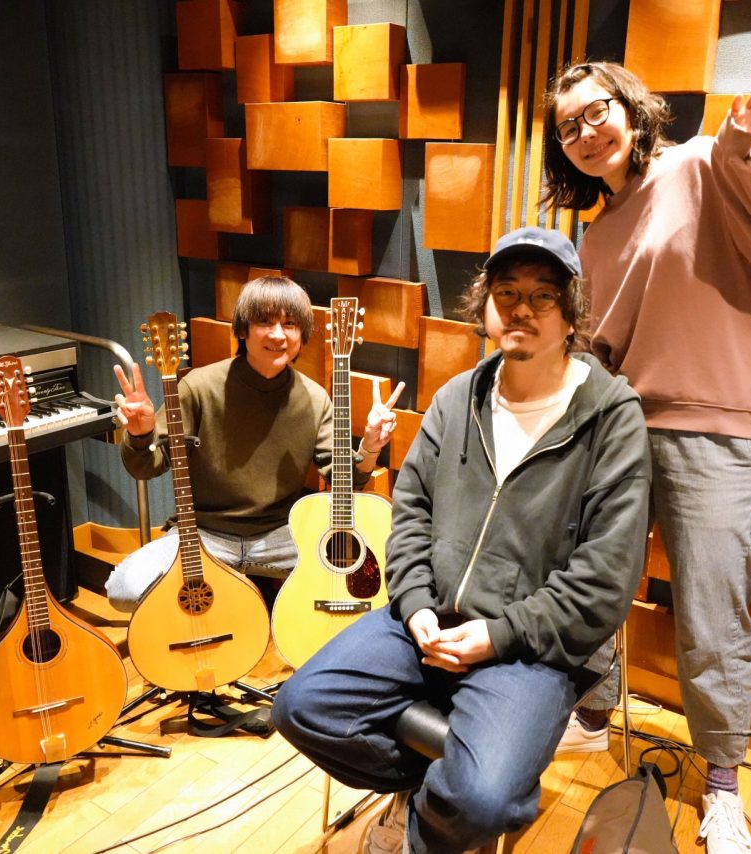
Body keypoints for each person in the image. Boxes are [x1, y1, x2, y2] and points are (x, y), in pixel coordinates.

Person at [272, 228, 652, 853]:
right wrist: (416, 603)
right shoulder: (457, 398)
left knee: (486, 800)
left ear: (571, 315)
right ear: (485, 308)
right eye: (506, 293)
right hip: (426, 623)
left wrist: (499, 635)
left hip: (529, 649)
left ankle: (429, 826)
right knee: (301, 707)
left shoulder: (612, 419)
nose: (522, 309)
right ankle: (430, 790)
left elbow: (606, 577)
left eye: (543, 295)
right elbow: (411, 511)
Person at [543, 63, 751, 853]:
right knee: (592, 584)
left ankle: (722, 788)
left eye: (596, 112)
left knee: (711, 617)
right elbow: (598, 351)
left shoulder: (704, 163)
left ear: (630, 108)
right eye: (568, 127)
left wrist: (739, 148)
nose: (585, 133)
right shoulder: (594, 236)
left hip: (715, 432)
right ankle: (593, 714)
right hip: (621, 431)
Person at [105, 275, 403, 610]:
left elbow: (346, 479)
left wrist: (370, 447)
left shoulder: (314, 398)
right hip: (206, 534)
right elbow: (146, 467)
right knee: (125, 589)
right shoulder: (198, 387)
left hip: (283, 536)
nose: (278, 335)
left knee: (381, 572)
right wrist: (140, 434)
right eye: (265, 322)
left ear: (302, 335)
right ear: (243, 330)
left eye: (289, 324)